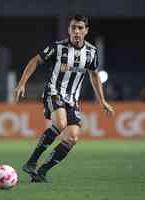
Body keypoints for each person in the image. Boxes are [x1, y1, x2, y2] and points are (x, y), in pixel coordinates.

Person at [14, 14, 115, 183]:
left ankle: (41, 172)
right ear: (68, 30)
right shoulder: (57, 47)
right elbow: (35, 60)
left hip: (72, 100)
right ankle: (32, 161)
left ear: (86, 31)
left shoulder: (91, 52)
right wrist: (22, 83)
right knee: (60, 124)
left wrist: (102, 100)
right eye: (73, 27)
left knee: (72, 137)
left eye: (80, 28)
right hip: (53, 92)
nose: (76, 31)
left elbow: (94, 75)